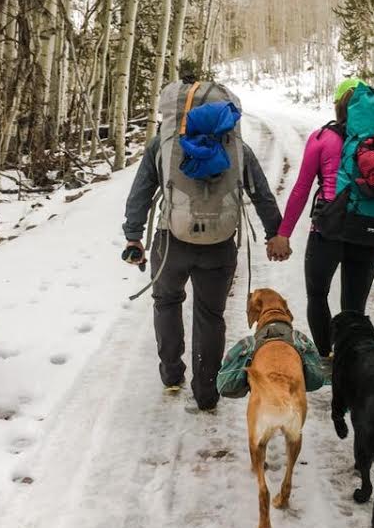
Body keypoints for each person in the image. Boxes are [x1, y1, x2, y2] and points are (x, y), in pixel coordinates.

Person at [123, 79, 289, 411]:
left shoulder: (163, 144)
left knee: (166, 303)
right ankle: (206, 393)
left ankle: (171, 375)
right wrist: (274, 232)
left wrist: (133, 235)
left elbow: (140, 192)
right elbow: (261, 194)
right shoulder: (237, 147)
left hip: (171, 241)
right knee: (210, 316)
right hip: (219, 245)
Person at [267, 78, 374, 364]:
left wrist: (283, 233)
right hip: (369, 232)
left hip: (328, 231)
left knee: (317, 295)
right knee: (354, 308)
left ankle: (326, 356)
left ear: (339, 106)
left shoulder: (322, 138)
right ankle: (350, 363)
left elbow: (302, 187)